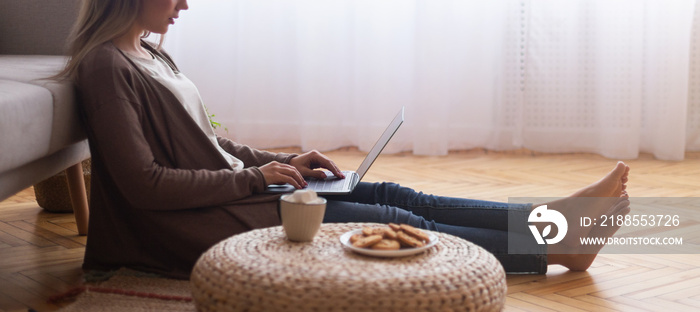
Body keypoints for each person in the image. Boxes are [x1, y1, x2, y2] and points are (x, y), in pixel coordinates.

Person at [58, 0, 630, 279]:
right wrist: (256, 179)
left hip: (244, 193)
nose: (185, 3)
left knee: (404, 197)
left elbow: (213, 141)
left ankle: (550, 223)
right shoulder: (108, 68)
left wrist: (281, 162)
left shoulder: (152, 52)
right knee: (391, 219)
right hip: (213, 220)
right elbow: (143, 185)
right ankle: (555, 246)